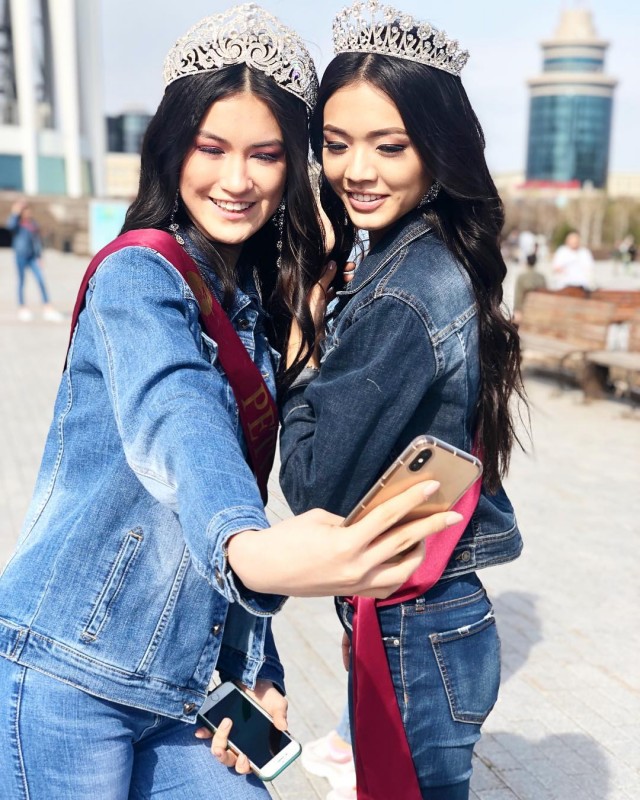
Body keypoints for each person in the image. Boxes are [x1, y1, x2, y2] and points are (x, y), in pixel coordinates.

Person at [0, 5, 458, 799]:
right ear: (172, 147)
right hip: (70, 670)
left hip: (188, 687)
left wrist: (260, 667)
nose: (237, 180)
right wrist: (251, 551)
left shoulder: (255, 303)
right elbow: (180, 422)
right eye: (211, 148)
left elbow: (243, 481)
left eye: (266, 154)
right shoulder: (138, 276)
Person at [277, 2, 527, 798]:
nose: (357, 170)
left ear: (437, 147)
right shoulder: (417, 256)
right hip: (423, 617)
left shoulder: (403, 292)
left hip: (418, 630)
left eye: (390, 145)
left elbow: (315, 490)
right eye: (336, 144)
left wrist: (303, 350)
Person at [6, 199, 64, 322]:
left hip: (32, 257)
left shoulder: (33, 224)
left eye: (28, 210)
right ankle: (22, 308)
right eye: (24, 211)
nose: (27, 213)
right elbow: (10, 226)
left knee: (40, 280)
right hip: (21, 256)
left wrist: (39, 256)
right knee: (22, 282)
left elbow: (37, 242)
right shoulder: (17, 223)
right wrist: (15, 212)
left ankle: (47, 307)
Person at [512, 244, 547, 326]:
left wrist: (517, 309)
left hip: (525, 308)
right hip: (539, 308)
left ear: (527, 262)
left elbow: (518, 294)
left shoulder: (522, 277)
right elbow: (545, 292)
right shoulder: (541, 277)